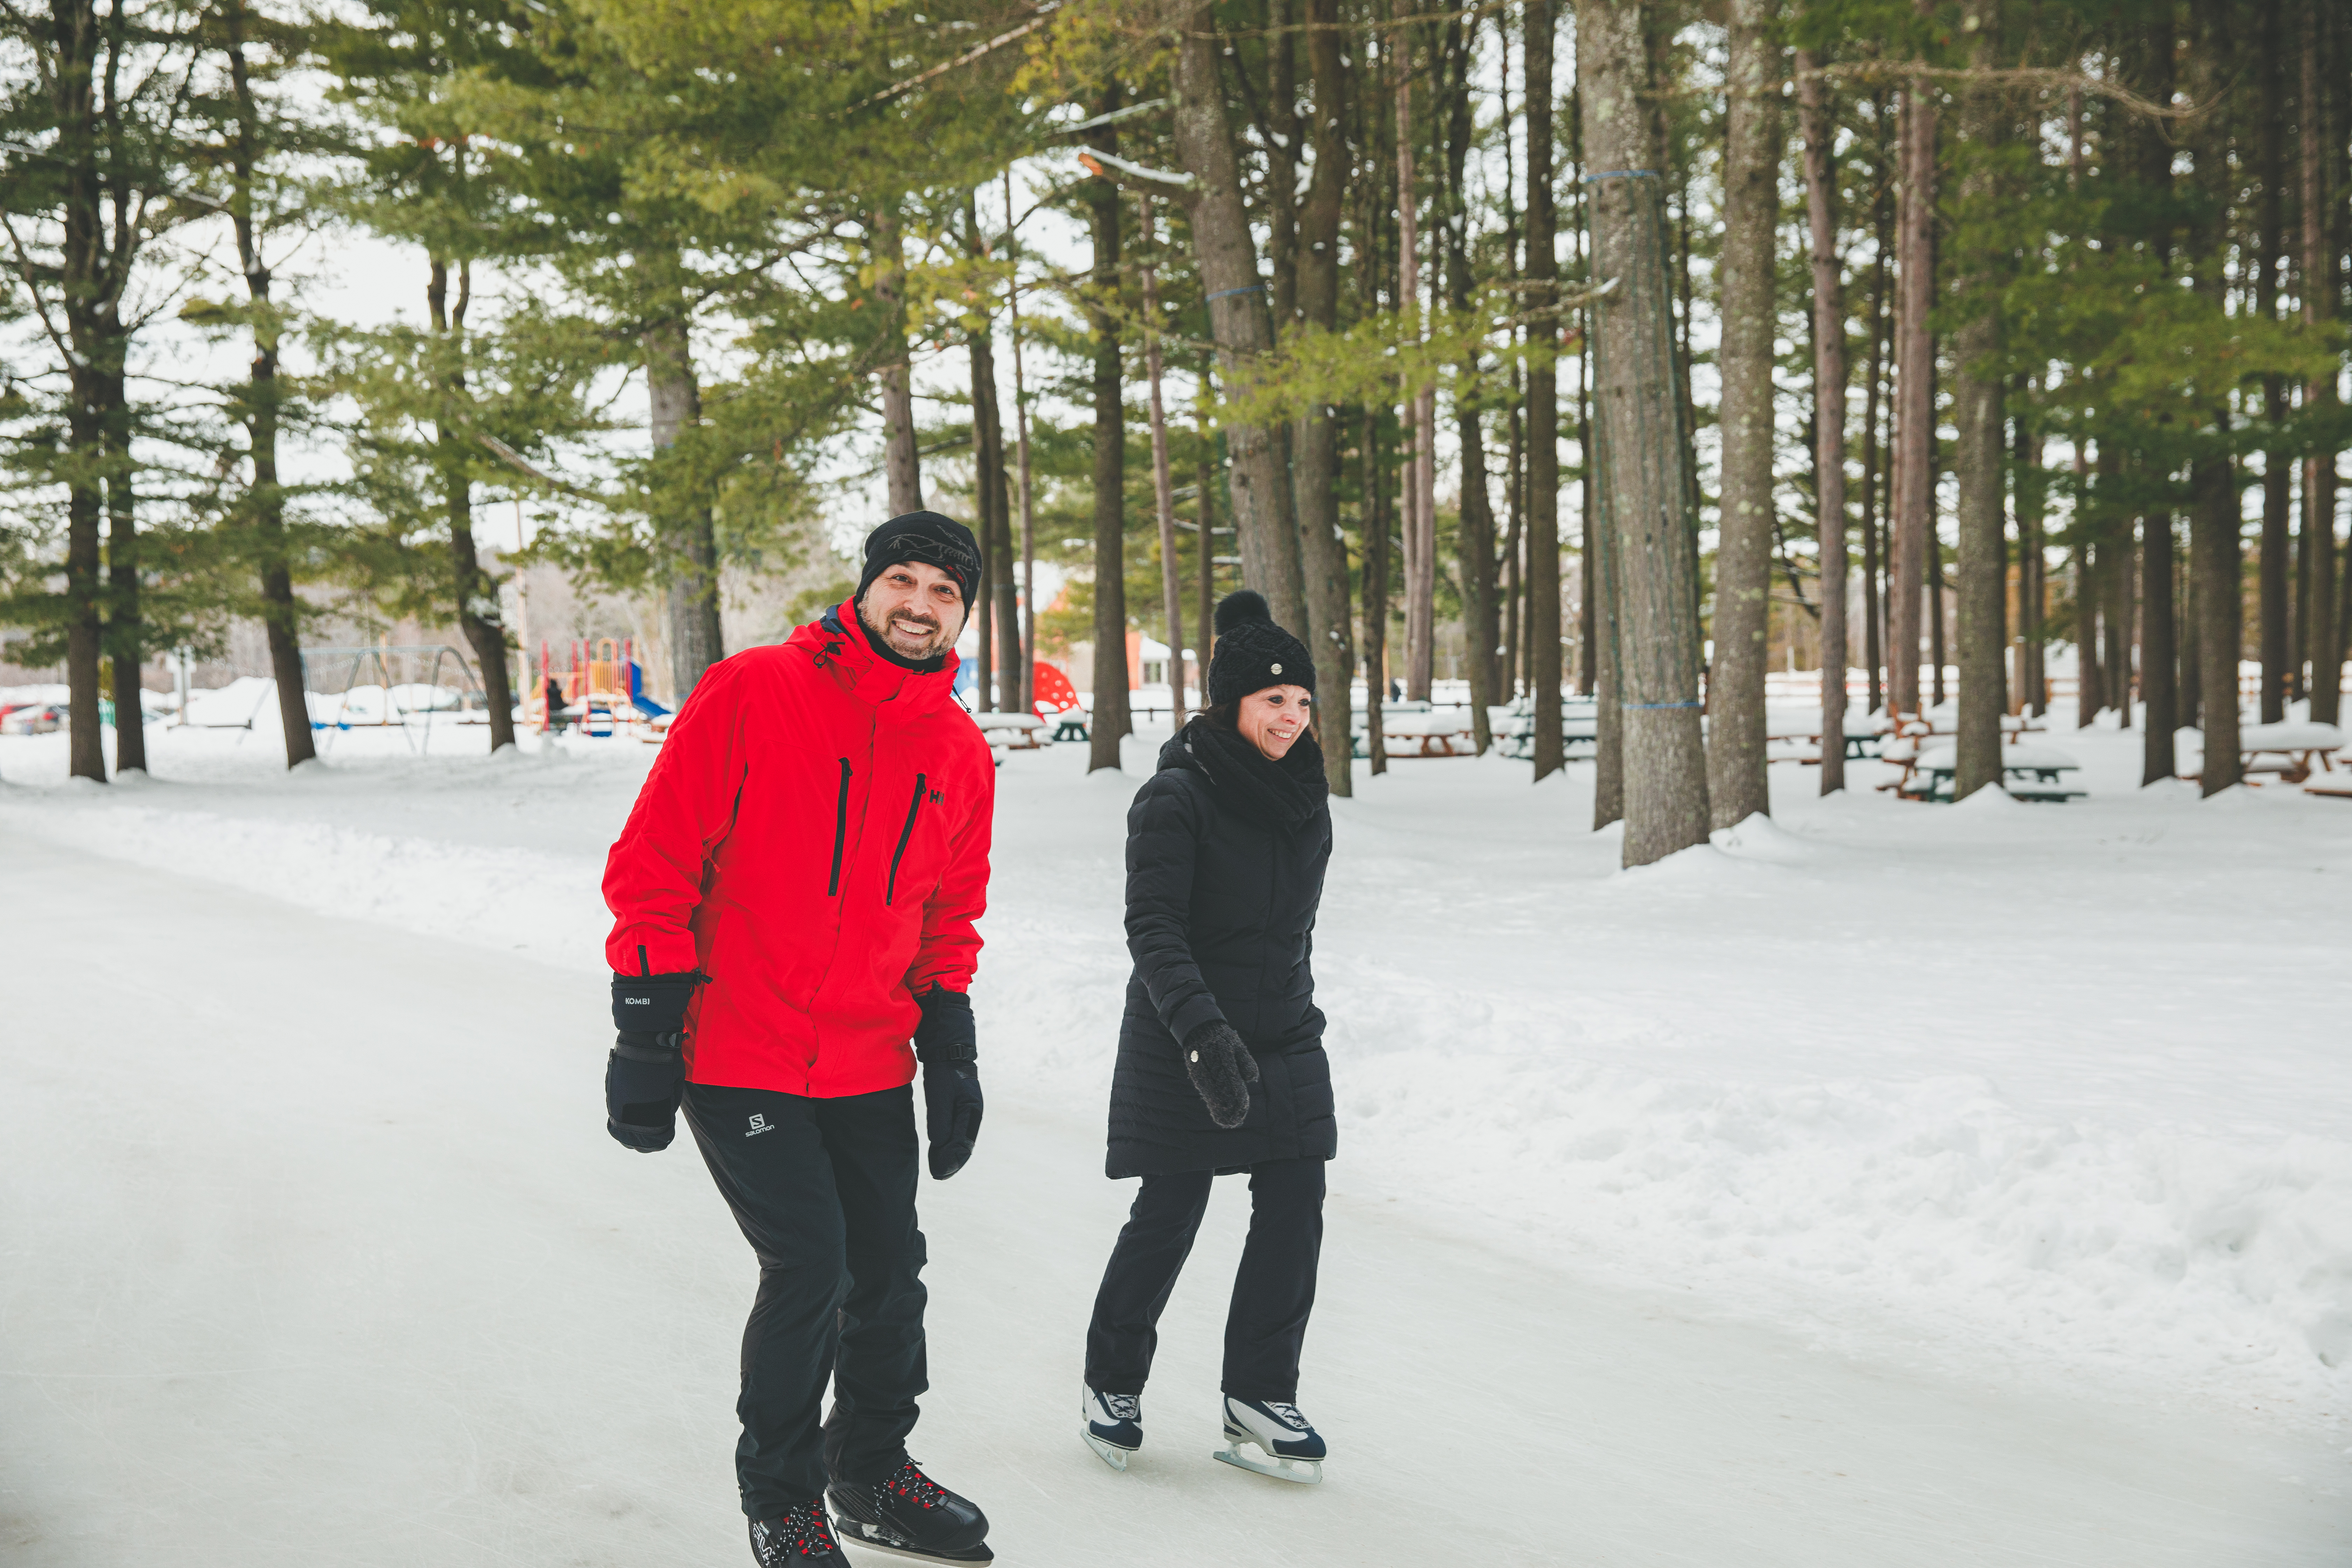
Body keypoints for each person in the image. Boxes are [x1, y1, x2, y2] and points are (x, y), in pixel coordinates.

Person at [601, 511, 997, 1567]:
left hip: (871, 1056)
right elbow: (656, 862)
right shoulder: (752, 691)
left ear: (964, 613)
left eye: (945, 592)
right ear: (866, 589)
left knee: (891, 1273)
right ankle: (781, 1499)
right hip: (738, 1045)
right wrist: (644, 1031)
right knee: (811, 1266)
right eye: (903, 581)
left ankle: (869, 1469)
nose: (920, 604)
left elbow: (949, 913)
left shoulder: (957, 748)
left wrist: (950, 1048)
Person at [1080, 589, 1337, 1484]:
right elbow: (1154, 927)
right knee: (1172, 1207)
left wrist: (1291, 1020)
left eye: (1303, 703)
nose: (1292, 719)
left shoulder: (1306, 795)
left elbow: (1288, 929)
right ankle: (1112, 1378)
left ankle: (1258, 1391)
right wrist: (1202, 1033)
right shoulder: (1175, 795)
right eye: (1275, 701)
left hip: (1281, 1029)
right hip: (1183, 1028)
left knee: (1297, 1196)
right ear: (1232, 702)